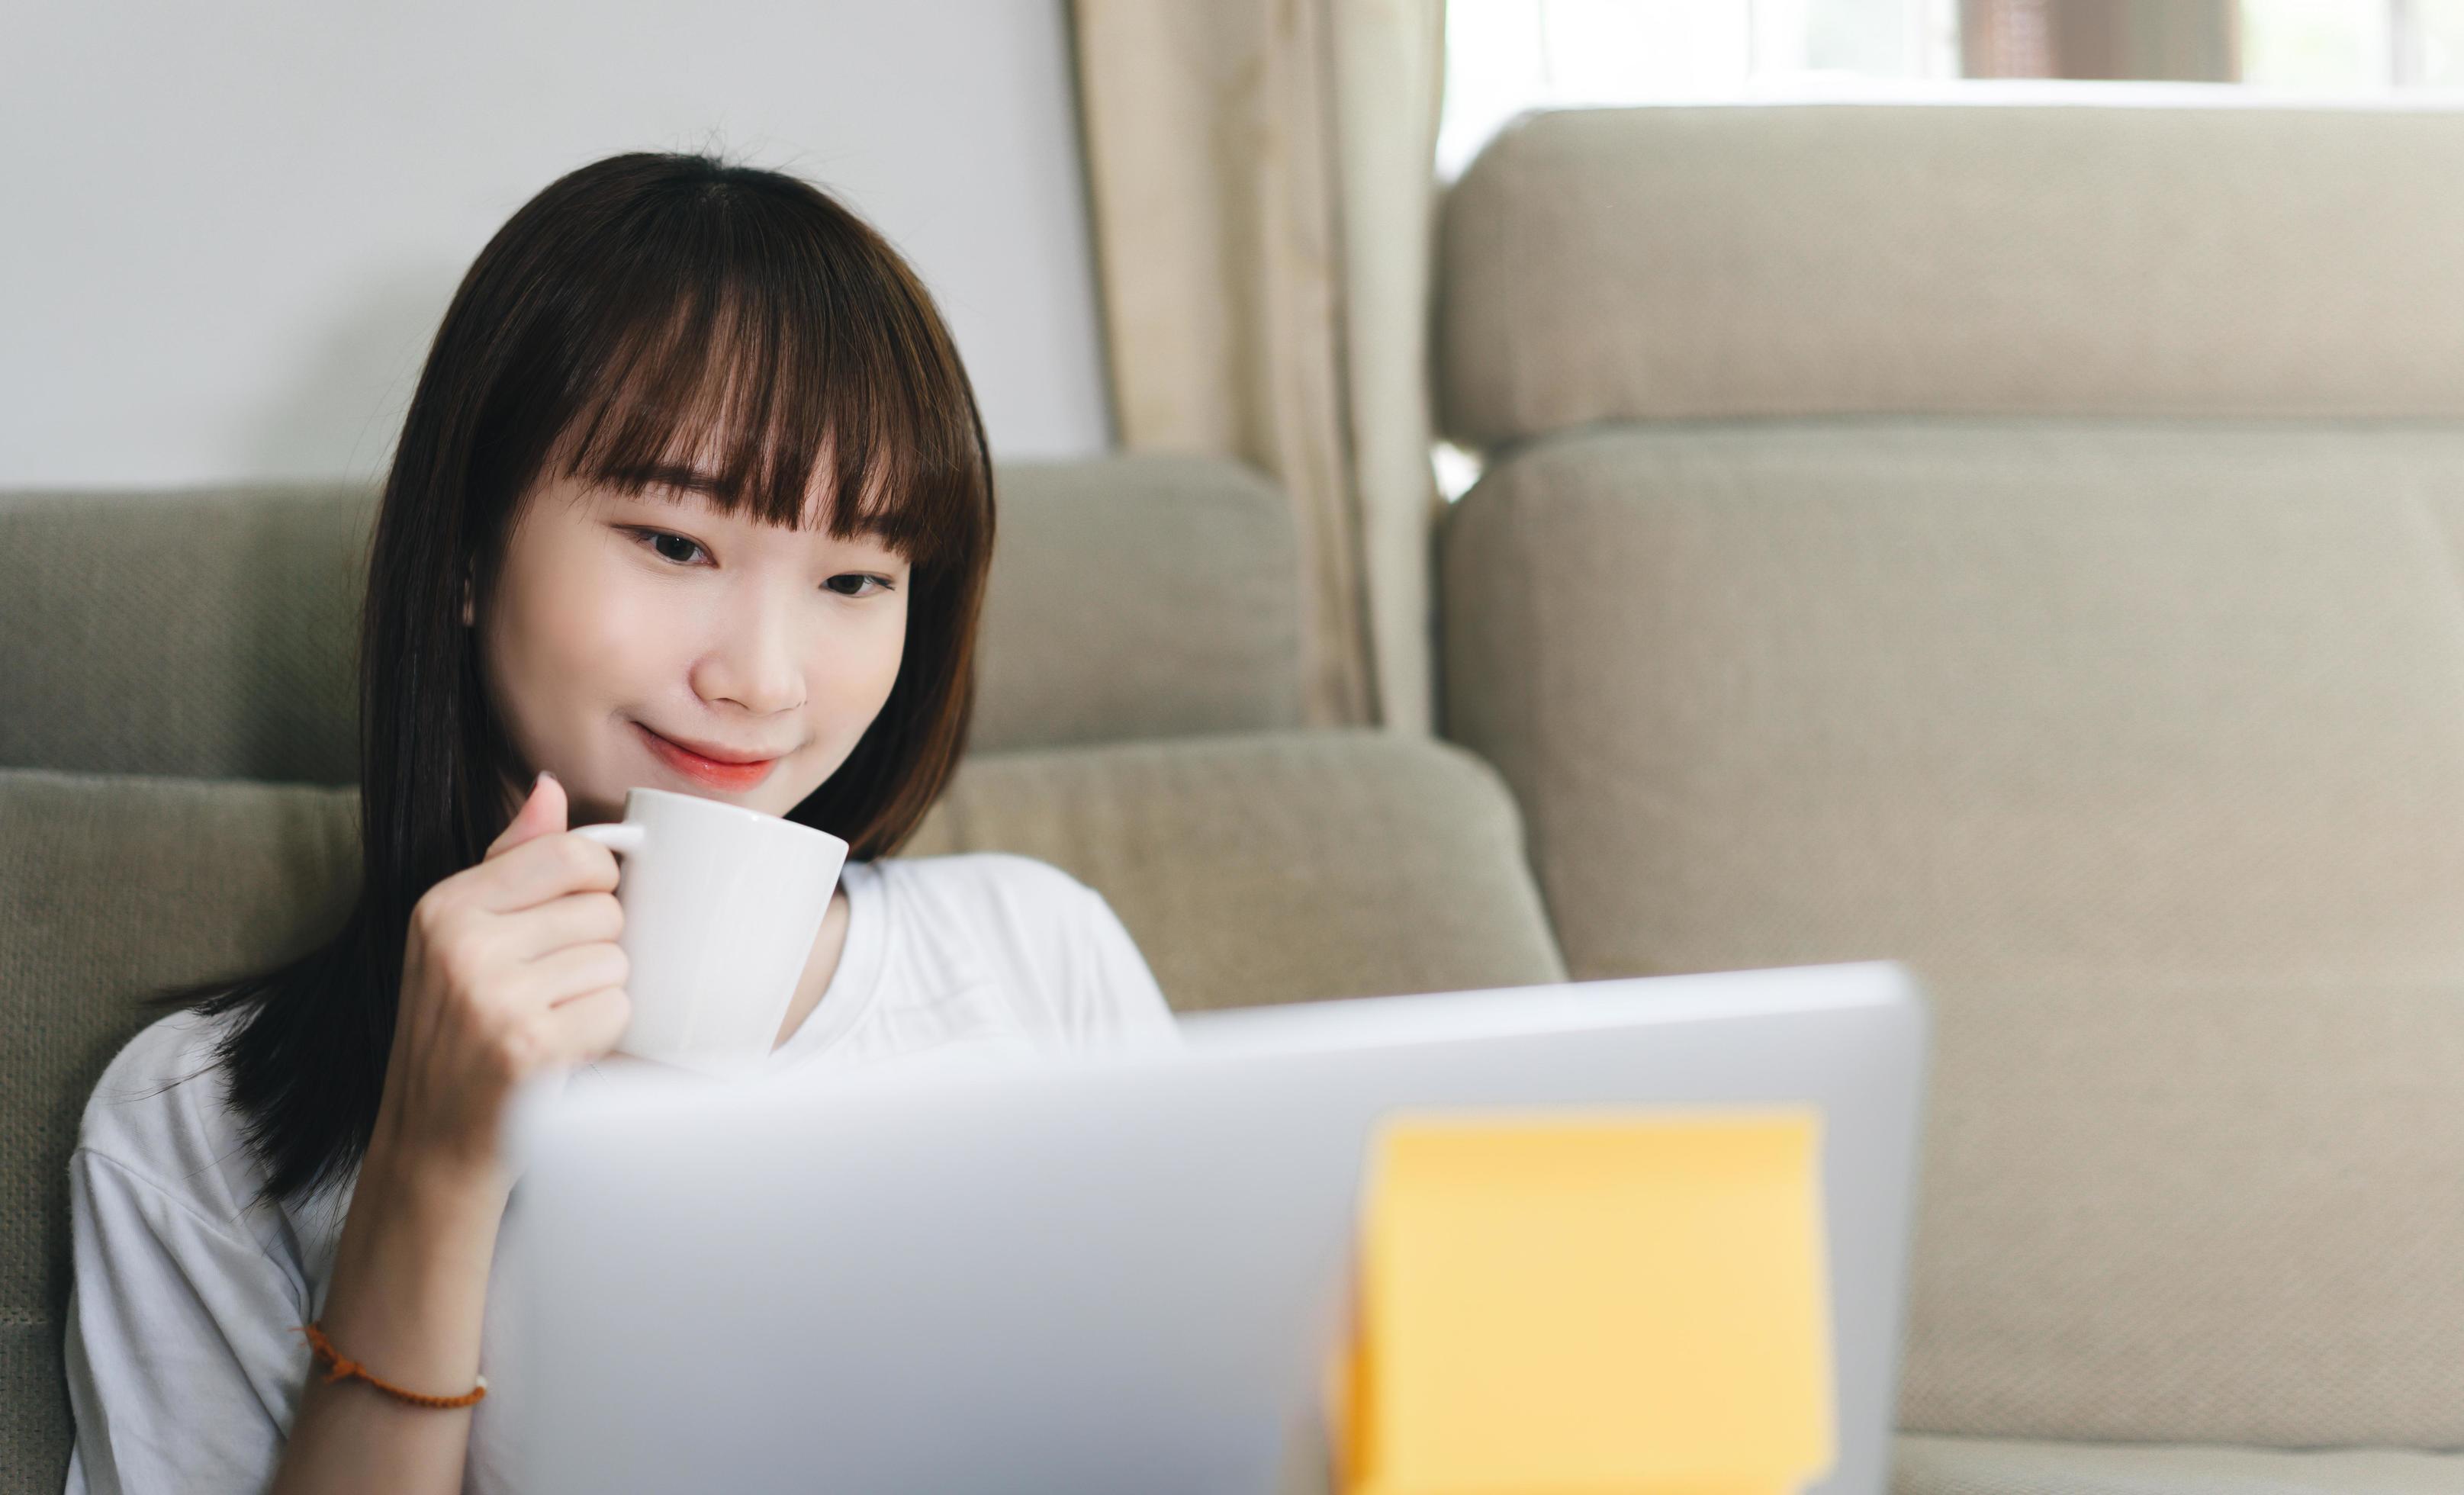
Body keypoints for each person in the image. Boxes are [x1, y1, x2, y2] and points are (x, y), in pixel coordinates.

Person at [60, 150, 1180, 1495]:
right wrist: (434, 1160)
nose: (762, 679)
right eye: (672, 543)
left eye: (853, 576)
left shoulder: (1037, 955)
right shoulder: (197, 1122)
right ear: (470, 554)